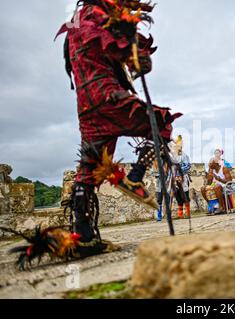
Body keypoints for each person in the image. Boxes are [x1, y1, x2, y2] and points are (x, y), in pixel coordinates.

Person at [56, 1, 181, 248]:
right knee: (161, 122)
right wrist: (135, 54)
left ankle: (82, 235)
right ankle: (135, 177)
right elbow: (113, 46)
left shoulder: (75, 23)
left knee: (90, 169)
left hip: (86, 107)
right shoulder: (95, 15)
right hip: (107, 98)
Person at [171, 136, 192, 219]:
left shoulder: (184, 156)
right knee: (177, 195)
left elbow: (188, 165)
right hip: (174, 179)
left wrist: (180, 173)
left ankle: (188, 213)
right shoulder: (172, 156)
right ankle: (180, 214)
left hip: (183, 177)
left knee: (185, 195)